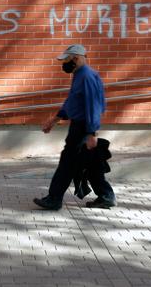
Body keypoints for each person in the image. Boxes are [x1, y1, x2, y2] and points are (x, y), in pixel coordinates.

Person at [33, 44, 116, 210]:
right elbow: (72, 102)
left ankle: (54, 198)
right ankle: (106, 196)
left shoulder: (86, 76)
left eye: (66, 59)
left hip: (83, 128)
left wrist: (91, 132)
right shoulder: (79, 74)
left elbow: (93, 105)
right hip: (81, 127)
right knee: (91, 163)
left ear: (76, 58)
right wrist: (54, 120)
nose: (64, 63)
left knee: (67, 163)